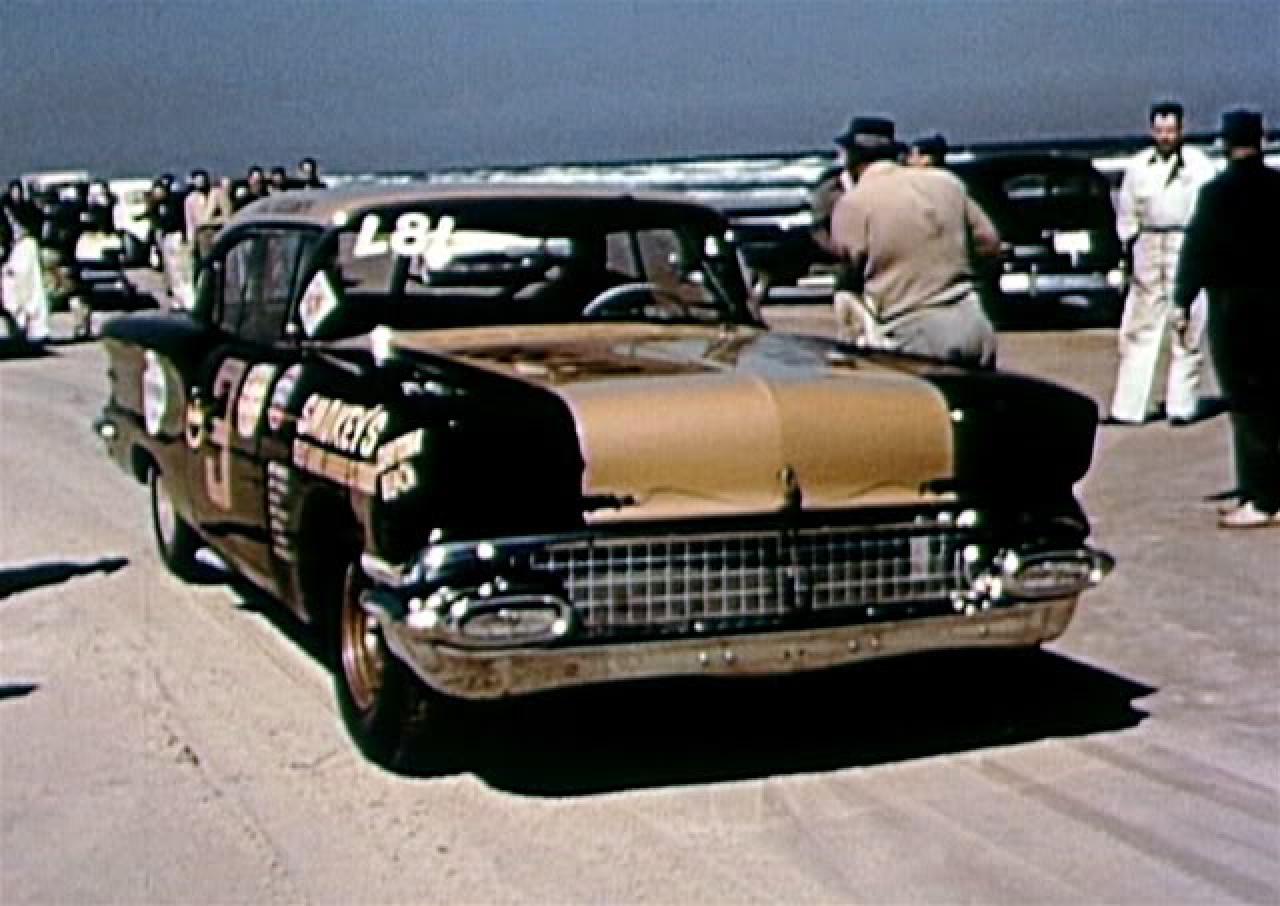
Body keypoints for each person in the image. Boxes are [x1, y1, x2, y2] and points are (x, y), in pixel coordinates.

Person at [1173, 109, 1280, 529]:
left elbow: (1197, 250)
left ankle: (1262, 498)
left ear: (1225, 143)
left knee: (1247, 403)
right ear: (1262, 140)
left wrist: (1182, 301)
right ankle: (1268, 491)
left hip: (1236, 311)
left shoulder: (1216, 195)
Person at [829, 115, 1001, 365]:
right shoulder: (947, 183)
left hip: (913, 328)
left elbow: (847, 262)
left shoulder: (854, 202)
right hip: (971, 320)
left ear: (852, 159)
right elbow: (989, 243)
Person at [1105, 101, 1216, 426]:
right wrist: (1128, 245)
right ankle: (1129, 407)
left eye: (1171, 130)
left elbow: (1210, 208)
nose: (1166, 136)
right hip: (1149, 246)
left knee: (1188, 324)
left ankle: (1182, 406)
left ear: (1182, 130)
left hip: (1186, 243)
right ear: (1152, 131)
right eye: (1160, 130)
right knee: (1140, 327)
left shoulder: (1199, 165)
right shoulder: (1139, 166)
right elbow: (1127, 210)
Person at [1, 180, 51, 344]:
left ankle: (36, 328)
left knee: (33, 289)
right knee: (12, 289)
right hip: (13, 251)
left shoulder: (28, 210)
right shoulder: (5, 208)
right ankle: (18, 325)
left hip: (26, 248)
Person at [146, 178, 191, 308]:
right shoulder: (155, 205)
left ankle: (186, 300)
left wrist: (185, 237)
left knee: (179, 269)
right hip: (165, 237)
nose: (158, 192)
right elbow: (154, 224)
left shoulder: (175, 202)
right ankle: (176, 299)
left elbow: (181, 220)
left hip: (176, 236)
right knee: (170, 270)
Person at [183, 169, 219, 263]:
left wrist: (211, 222)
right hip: (201, 236)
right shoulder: (190, 199)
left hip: (217, 233)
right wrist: (191, 242)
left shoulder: (215, 194)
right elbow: (190, 223)